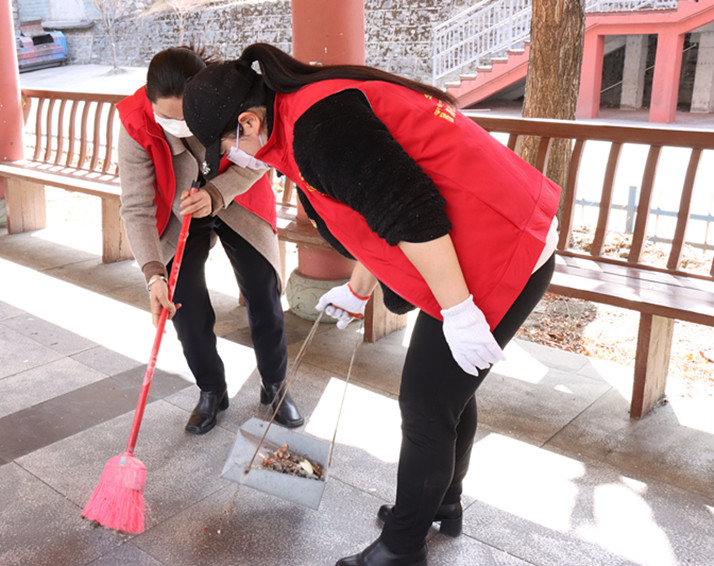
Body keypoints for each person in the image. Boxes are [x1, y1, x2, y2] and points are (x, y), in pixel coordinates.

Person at [182, 43, 559, 566]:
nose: (233, 157)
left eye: (227, 146)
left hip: (503, 243)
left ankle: (402, 547)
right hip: (475, 239)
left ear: (248, 122)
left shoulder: (317, 127)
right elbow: (375, 214)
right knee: (445, 392)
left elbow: (411, 213)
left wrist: (458, 311)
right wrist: (359, 289)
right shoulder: (300, 111)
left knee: (425, 405)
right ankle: (441, 503)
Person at [117, 46, 304, 436]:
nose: (177, 125)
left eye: (185, 117)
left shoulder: (227, 95)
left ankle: (274, 384)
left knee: (263, 293)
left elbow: (261, 155)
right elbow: (135, 205)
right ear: (149, 100)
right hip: (178, 212)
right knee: (183, 304)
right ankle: (211, 389)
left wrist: (217, 193)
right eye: (166, 118)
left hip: (237, 198)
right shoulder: (135, 120)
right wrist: (153, 274)